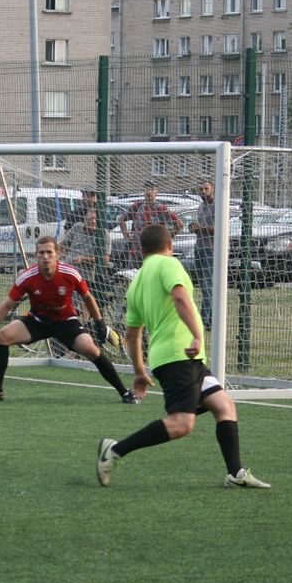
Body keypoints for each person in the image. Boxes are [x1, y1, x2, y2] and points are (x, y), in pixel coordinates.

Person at [96, 224, 270, 490]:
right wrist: (197, 335)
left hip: (175, 359)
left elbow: (133, 334)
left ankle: (236, 473)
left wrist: (140, 371)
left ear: (141, 250)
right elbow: (179, 297)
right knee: (182, 424)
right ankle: (114, 450)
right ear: (170, 245)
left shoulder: (136, 283)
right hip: (179, 355)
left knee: (224, 405)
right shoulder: (169, 264)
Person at [0, 236, 139, 404]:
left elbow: (87, 297)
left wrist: (100, 324)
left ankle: (124, 392)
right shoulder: (27, 277)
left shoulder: (70, 273)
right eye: (41, 253)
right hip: (37, 321)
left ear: (58, 254)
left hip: (66, 322)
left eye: (49, 252)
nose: (45, 257)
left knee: (92, 351)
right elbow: (7, 305)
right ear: (36, 255)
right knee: (2, 337)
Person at [118, 179, 183, 270]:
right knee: (133, 276)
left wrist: (166, 239)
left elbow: (179, 224)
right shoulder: (137, 206)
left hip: (153, 253)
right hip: (136, 253)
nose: (149, 192)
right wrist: (127, 237)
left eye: (152, 189)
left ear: (156, 192)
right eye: (147, 189)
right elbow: (121, 220)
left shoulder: (161, 209)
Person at [188, 179, 216, 328]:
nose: (203, 192)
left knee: (207, 285)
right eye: (201, 189)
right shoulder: (201, 207)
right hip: (199, 247)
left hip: (211, 250)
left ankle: (203, 320)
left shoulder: (217, 206)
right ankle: (210, 320)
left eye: (206, 188)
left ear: (212, 189)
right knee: (203, 285)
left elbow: (218, 228)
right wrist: (194, 227)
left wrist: (200, 228)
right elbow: (201, 227)